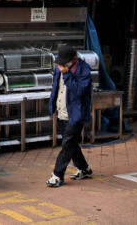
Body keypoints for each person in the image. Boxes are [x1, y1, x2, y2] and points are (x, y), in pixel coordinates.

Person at [46, 46, 94, 187]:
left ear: (73, 59)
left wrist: (67, 74)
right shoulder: (58, 68)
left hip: (76, 114)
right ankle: (84, 169)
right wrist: (52, 106)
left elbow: (79, 91)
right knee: (70, 143)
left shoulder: (84, 70)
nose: (61, 65)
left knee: (67, 144)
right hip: (61, 110)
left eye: (64, 62)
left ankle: (57, 175)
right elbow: (56, 88)